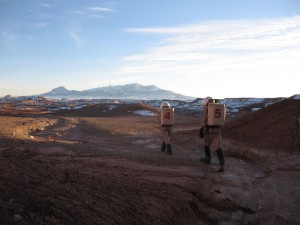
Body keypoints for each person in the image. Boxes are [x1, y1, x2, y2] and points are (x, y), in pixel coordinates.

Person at [199, 96, 225, 172]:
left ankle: (207, 159)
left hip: (208, 131)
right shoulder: (218, 107)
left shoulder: (206, 108)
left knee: (206, 145)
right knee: (218, 148)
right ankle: (221, 163)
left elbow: (204, 119)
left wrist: (201, 128)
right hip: (217, 131)